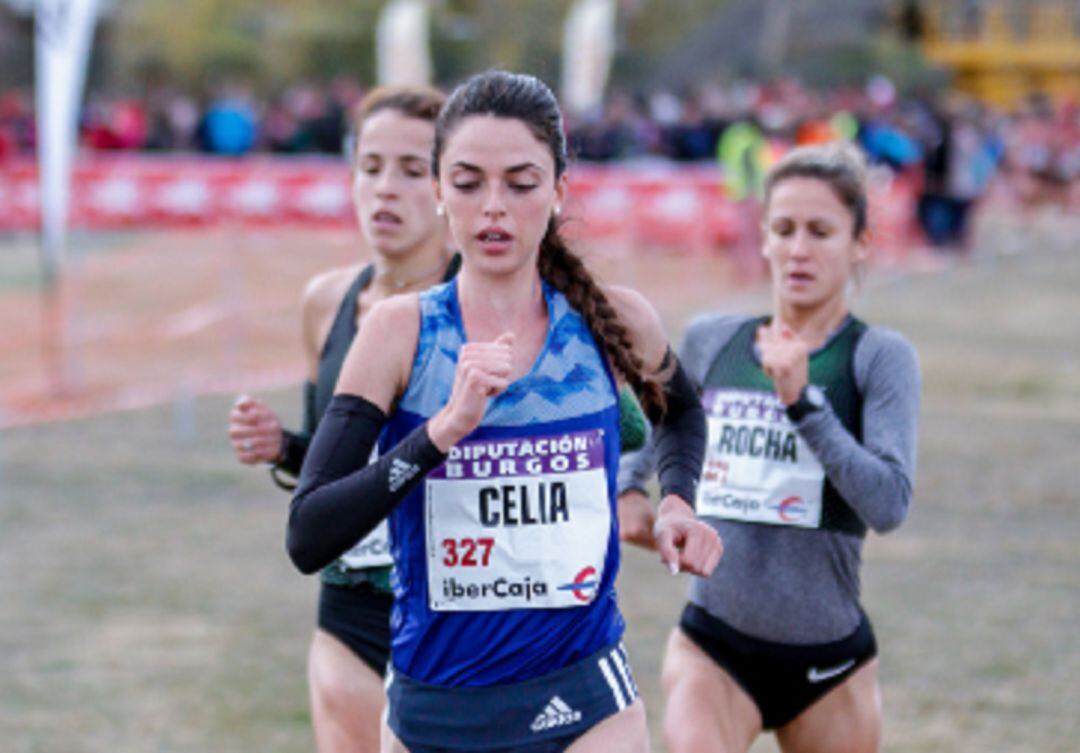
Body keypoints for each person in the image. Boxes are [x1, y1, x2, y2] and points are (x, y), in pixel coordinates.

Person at [286, 70, 723, 753]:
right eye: (467, 182)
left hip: (586, 700)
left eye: (520, 183)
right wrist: (440, 433)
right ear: (438, 191)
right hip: (435, 713)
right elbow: (309, 533)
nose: (494, 206)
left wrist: (678, 501)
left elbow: (684, 414)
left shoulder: (614, 319)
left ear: (558, 190)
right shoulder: (398, 334)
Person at [619, 141, 921, 752]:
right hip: (715, 645)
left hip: (831, 664)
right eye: (783, 229)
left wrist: (804, 404)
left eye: (821, 231)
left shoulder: (878, 357)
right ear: (762, 238)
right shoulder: (713, 339)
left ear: (860, 243)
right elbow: (656, 429)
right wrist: (628, 488)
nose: (799, 249)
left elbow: (888, 504)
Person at [228, 84, 454, 753]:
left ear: (450, 186)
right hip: (349, 607)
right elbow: (330, 468)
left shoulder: (479, 304)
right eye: (371, 165)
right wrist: (284, 445)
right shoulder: (325, 302)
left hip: (459, 613)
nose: (386, 188)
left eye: (413, 170)